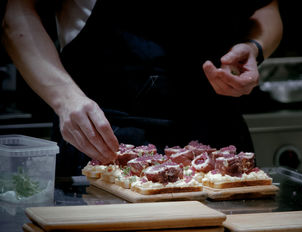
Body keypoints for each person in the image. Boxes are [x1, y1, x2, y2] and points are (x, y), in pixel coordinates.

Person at [2, 0, 283, 176]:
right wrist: (64, 99)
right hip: (105, 138)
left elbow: (266, 8)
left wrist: (253, 47)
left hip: (218, 143)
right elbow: (16, 14)